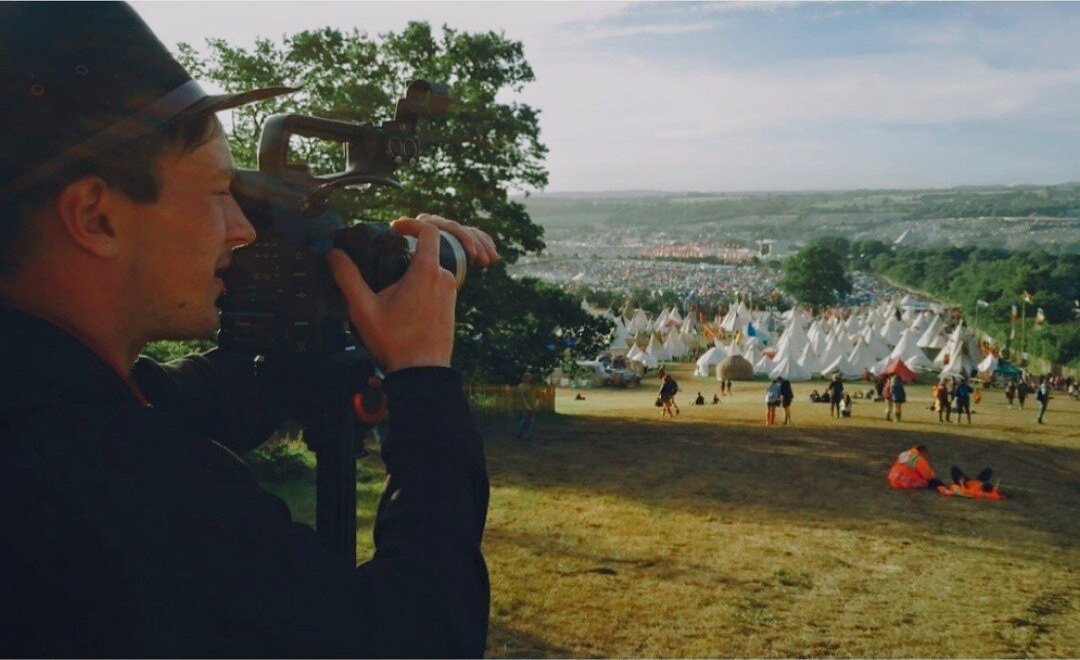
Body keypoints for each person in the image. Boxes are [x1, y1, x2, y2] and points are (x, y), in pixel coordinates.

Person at [0, 5, 499, 656]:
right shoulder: (128, 487)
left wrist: (323, 305)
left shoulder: (44, 400)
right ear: (97, 217)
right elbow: (419, 637)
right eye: (218, 192)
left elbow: (189, 399)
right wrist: (423, 377)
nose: (241, 230)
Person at [514, 371, 538, 439]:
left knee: (528, 420)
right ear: (524, 378)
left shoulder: (529, 386)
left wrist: (533, 406)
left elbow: (532, 397)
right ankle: (523, 434)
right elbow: (522, 398)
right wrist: (525, 408)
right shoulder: (521, 387)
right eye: (528, 377)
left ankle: (523, 434)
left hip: (530, 407)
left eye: (530, 377)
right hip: (525, 407)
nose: (530, 379)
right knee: (526, 420)